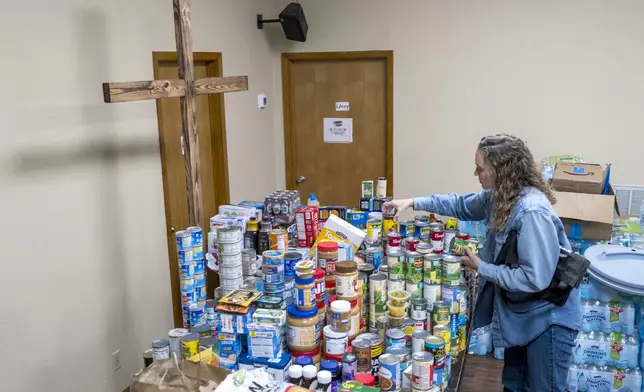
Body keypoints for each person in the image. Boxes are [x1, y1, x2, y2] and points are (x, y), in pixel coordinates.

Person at [383, 134, 581, 392]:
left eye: (480, 167)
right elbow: (459, 204)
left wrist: (482, 267)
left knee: (543, 387)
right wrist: (412, 202)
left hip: (549, 320)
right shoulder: (500, 196)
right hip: (524, 316)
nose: (475, 172)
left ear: (501, 170)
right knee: (513, 384)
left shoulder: (532, 212)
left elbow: (535, 278)